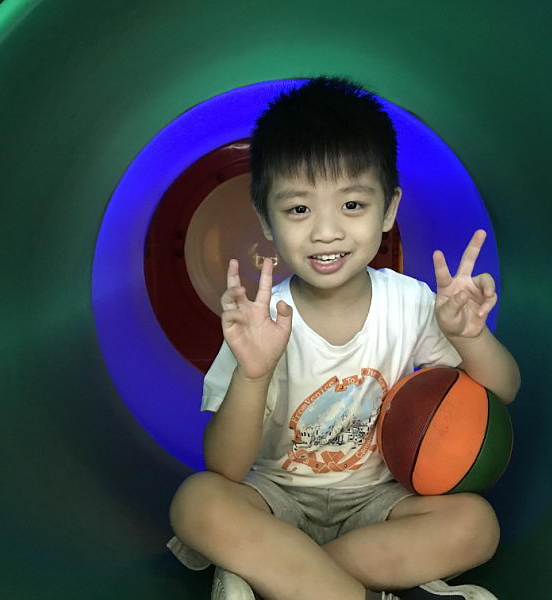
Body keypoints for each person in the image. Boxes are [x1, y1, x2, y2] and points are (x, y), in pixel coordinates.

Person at [168, 76, 520, 600]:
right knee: (198, 501)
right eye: (299, 209)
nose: (326, 231)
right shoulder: (261, 320)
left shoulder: (410, 302)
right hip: (275, 500)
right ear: (265, 218)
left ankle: (283, 579)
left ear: (390, 209)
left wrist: (469, 337)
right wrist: (253, 374)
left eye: (352, 205)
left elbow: (503, 390)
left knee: (476, 524)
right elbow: (226, 466)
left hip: (379, 502)